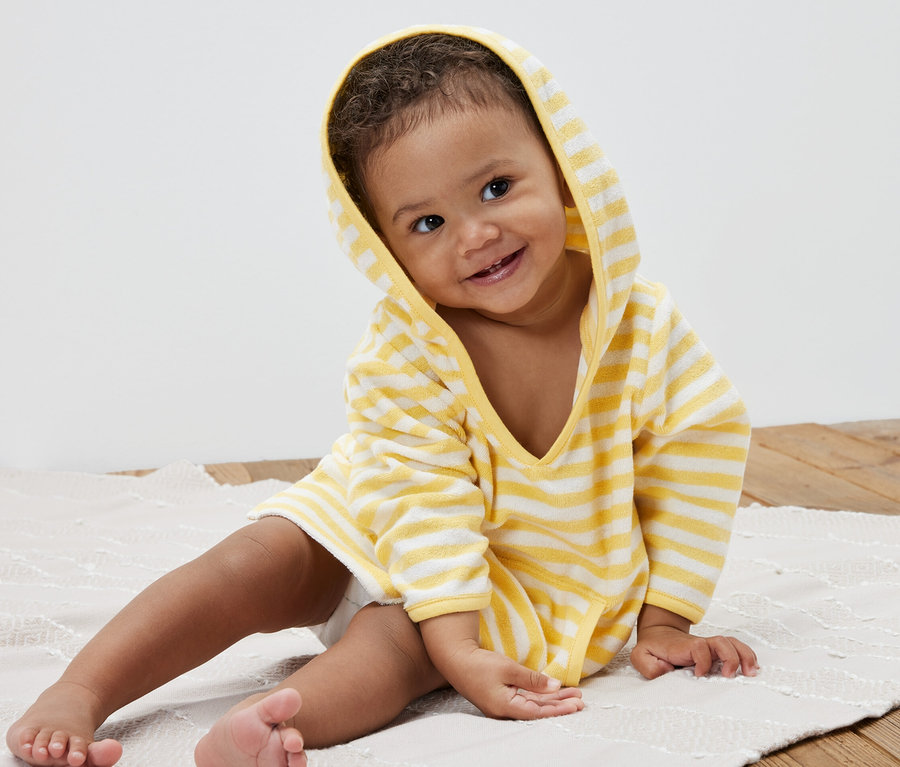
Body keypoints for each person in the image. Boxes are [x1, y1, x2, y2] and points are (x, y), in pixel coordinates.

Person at [6, 25, 758, 767]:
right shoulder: (407, 348)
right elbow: (420, 496)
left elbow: (697, 460)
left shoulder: (644, 327)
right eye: (427, 222)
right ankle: (82, 687)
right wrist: (454, 637)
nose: (475, 235)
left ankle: (257, 731)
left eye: (496, 187)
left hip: (517, 580)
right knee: (249, 562)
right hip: (387, 514)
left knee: (396, 650)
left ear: (564, 171)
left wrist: (661, 620)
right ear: (385, 249)